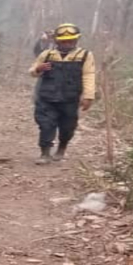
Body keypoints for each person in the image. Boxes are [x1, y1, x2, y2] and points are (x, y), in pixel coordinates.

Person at [29, 23, 96, 164]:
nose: (67, 44)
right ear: (56, 41)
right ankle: (45, 153)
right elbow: (32, 71)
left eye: (71, 41)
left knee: (67, 127)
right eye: (64, 41)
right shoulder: (47, 55)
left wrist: (88, 96)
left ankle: (62, 147)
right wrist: (38, 69)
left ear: (76, 40)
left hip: (70, 99)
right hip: (46, 98)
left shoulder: (84, 55)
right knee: (46, 124)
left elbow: (89, 75)